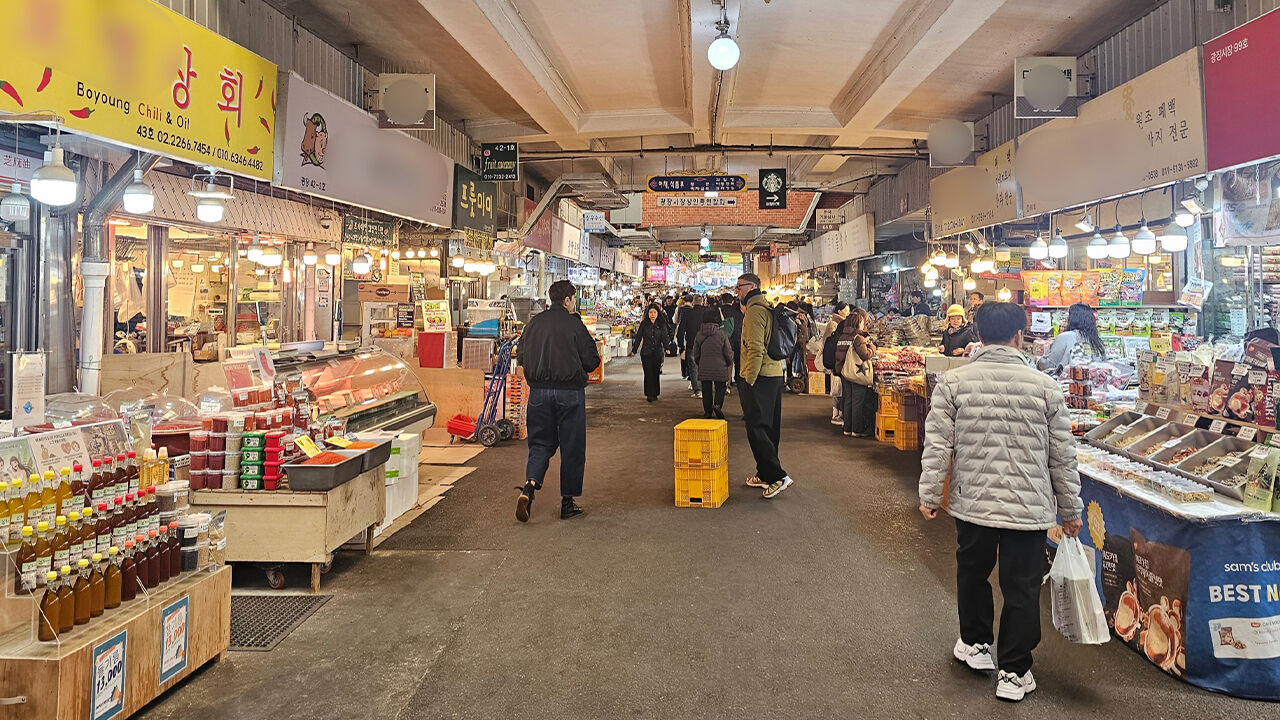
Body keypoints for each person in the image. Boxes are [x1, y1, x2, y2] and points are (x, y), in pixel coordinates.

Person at [918, 301, 1083, 703]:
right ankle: (1014, 670)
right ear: (1019, 336)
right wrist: (1071, 510)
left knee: (972, 573)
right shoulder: (1045, 387)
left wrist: (930, 493)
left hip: (973, 503)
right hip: (1029, 509)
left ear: (977, 334)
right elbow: (1062, 455)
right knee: (1021, 587)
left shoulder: (954, 382)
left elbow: (937, 444)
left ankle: (975, 645)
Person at [514, 280, 600, 523]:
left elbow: (521, 356)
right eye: (573, 299)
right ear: (567, 300)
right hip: (569, 394)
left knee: (540, 444)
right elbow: (591, 360)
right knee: (572, 446)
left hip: (538, 394)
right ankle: (567, 503)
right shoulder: (574, 325)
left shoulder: (533, 324)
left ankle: (529, 487)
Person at [735, 273, 794, 498]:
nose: (737, 292)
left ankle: (778, 476)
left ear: (751, 287)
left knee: (757, 428)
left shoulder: (755, 311)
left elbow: (755, 348)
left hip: (760, 377)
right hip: (773, 374)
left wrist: (748, 380)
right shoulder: (765, 307)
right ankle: (764, 474)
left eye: (739, 287)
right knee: (768, 427)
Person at [834, 308, 877, 437]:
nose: (863, 325)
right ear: (857, 323)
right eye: (862, 322)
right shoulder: (858, 338)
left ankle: (847, 428)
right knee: (858, 401)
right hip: (857, 373)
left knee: (848, 400)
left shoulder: (842, 336)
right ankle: (856, 429)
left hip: (845, 372)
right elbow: (865, 355)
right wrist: (872, 347)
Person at [1036, 302, 1106, 376]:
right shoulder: (1096, 341)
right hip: (1094, 381)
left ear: (1072, 319)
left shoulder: (1065, 337)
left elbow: (1050, 364)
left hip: (1069, 381)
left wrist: (1038, 361)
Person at [691, 307, 734, 419]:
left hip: (704, 365)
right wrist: (728, 362)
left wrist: (699, 362)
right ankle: (717, 405)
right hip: (720, 366)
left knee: (706, 389)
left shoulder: (699, 335)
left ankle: (708, 411)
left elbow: (696, 353)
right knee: (720, 387)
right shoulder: (722, 334)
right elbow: (728, 351)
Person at [631, 304, 672, 402]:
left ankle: (655, 393)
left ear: (658, 313)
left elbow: (665, 337)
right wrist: (634, 350)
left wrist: (667, 347)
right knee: (648, 373)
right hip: (646, 352)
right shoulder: (644, 324)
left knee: (656, 373)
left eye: (654, 312)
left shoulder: (661, 324)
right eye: (650, 312)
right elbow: (638, 337)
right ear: (647, 313)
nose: (652, 315)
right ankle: (649, 394)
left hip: (657, 352)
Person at [821, 302, 851, 425]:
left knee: (838, 389)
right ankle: (836, 415)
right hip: (835, 360)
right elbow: (829, 343)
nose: (848, 313)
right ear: (839, 311)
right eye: (846, 311)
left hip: (837, 360)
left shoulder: (841, 323)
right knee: (837, 389)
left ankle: (838, 413)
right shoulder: (834, 324)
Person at [677, 295, 705, 397]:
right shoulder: (707, 313)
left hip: (692, 343)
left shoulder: (687, 314)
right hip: (706, 343)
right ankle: (706, 388)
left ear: (693, 302)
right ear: (702, 302)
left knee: (693, 367)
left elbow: (681, 330)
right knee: (705, 365)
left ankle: (698, 390)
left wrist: (681, 345)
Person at [721, 292, 744, 384]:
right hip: (737, 339)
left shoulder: (718, 311)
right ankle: (738, 379)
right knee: (738, 362)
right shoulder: (738, 312)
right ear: (732, 301)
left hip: (723, 340)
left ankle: (726, 381)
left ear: (722, 301)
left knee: (724, 361)